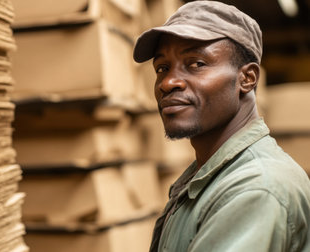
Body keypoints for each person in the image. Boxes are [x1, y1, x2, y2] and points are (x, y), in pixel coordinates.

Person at [133, 1, 310, 251]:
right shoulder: (207, 176)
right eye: (162, 68)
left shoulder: (255, 189)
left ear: (247, 78)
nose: (168, 82)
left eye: (196, 64)